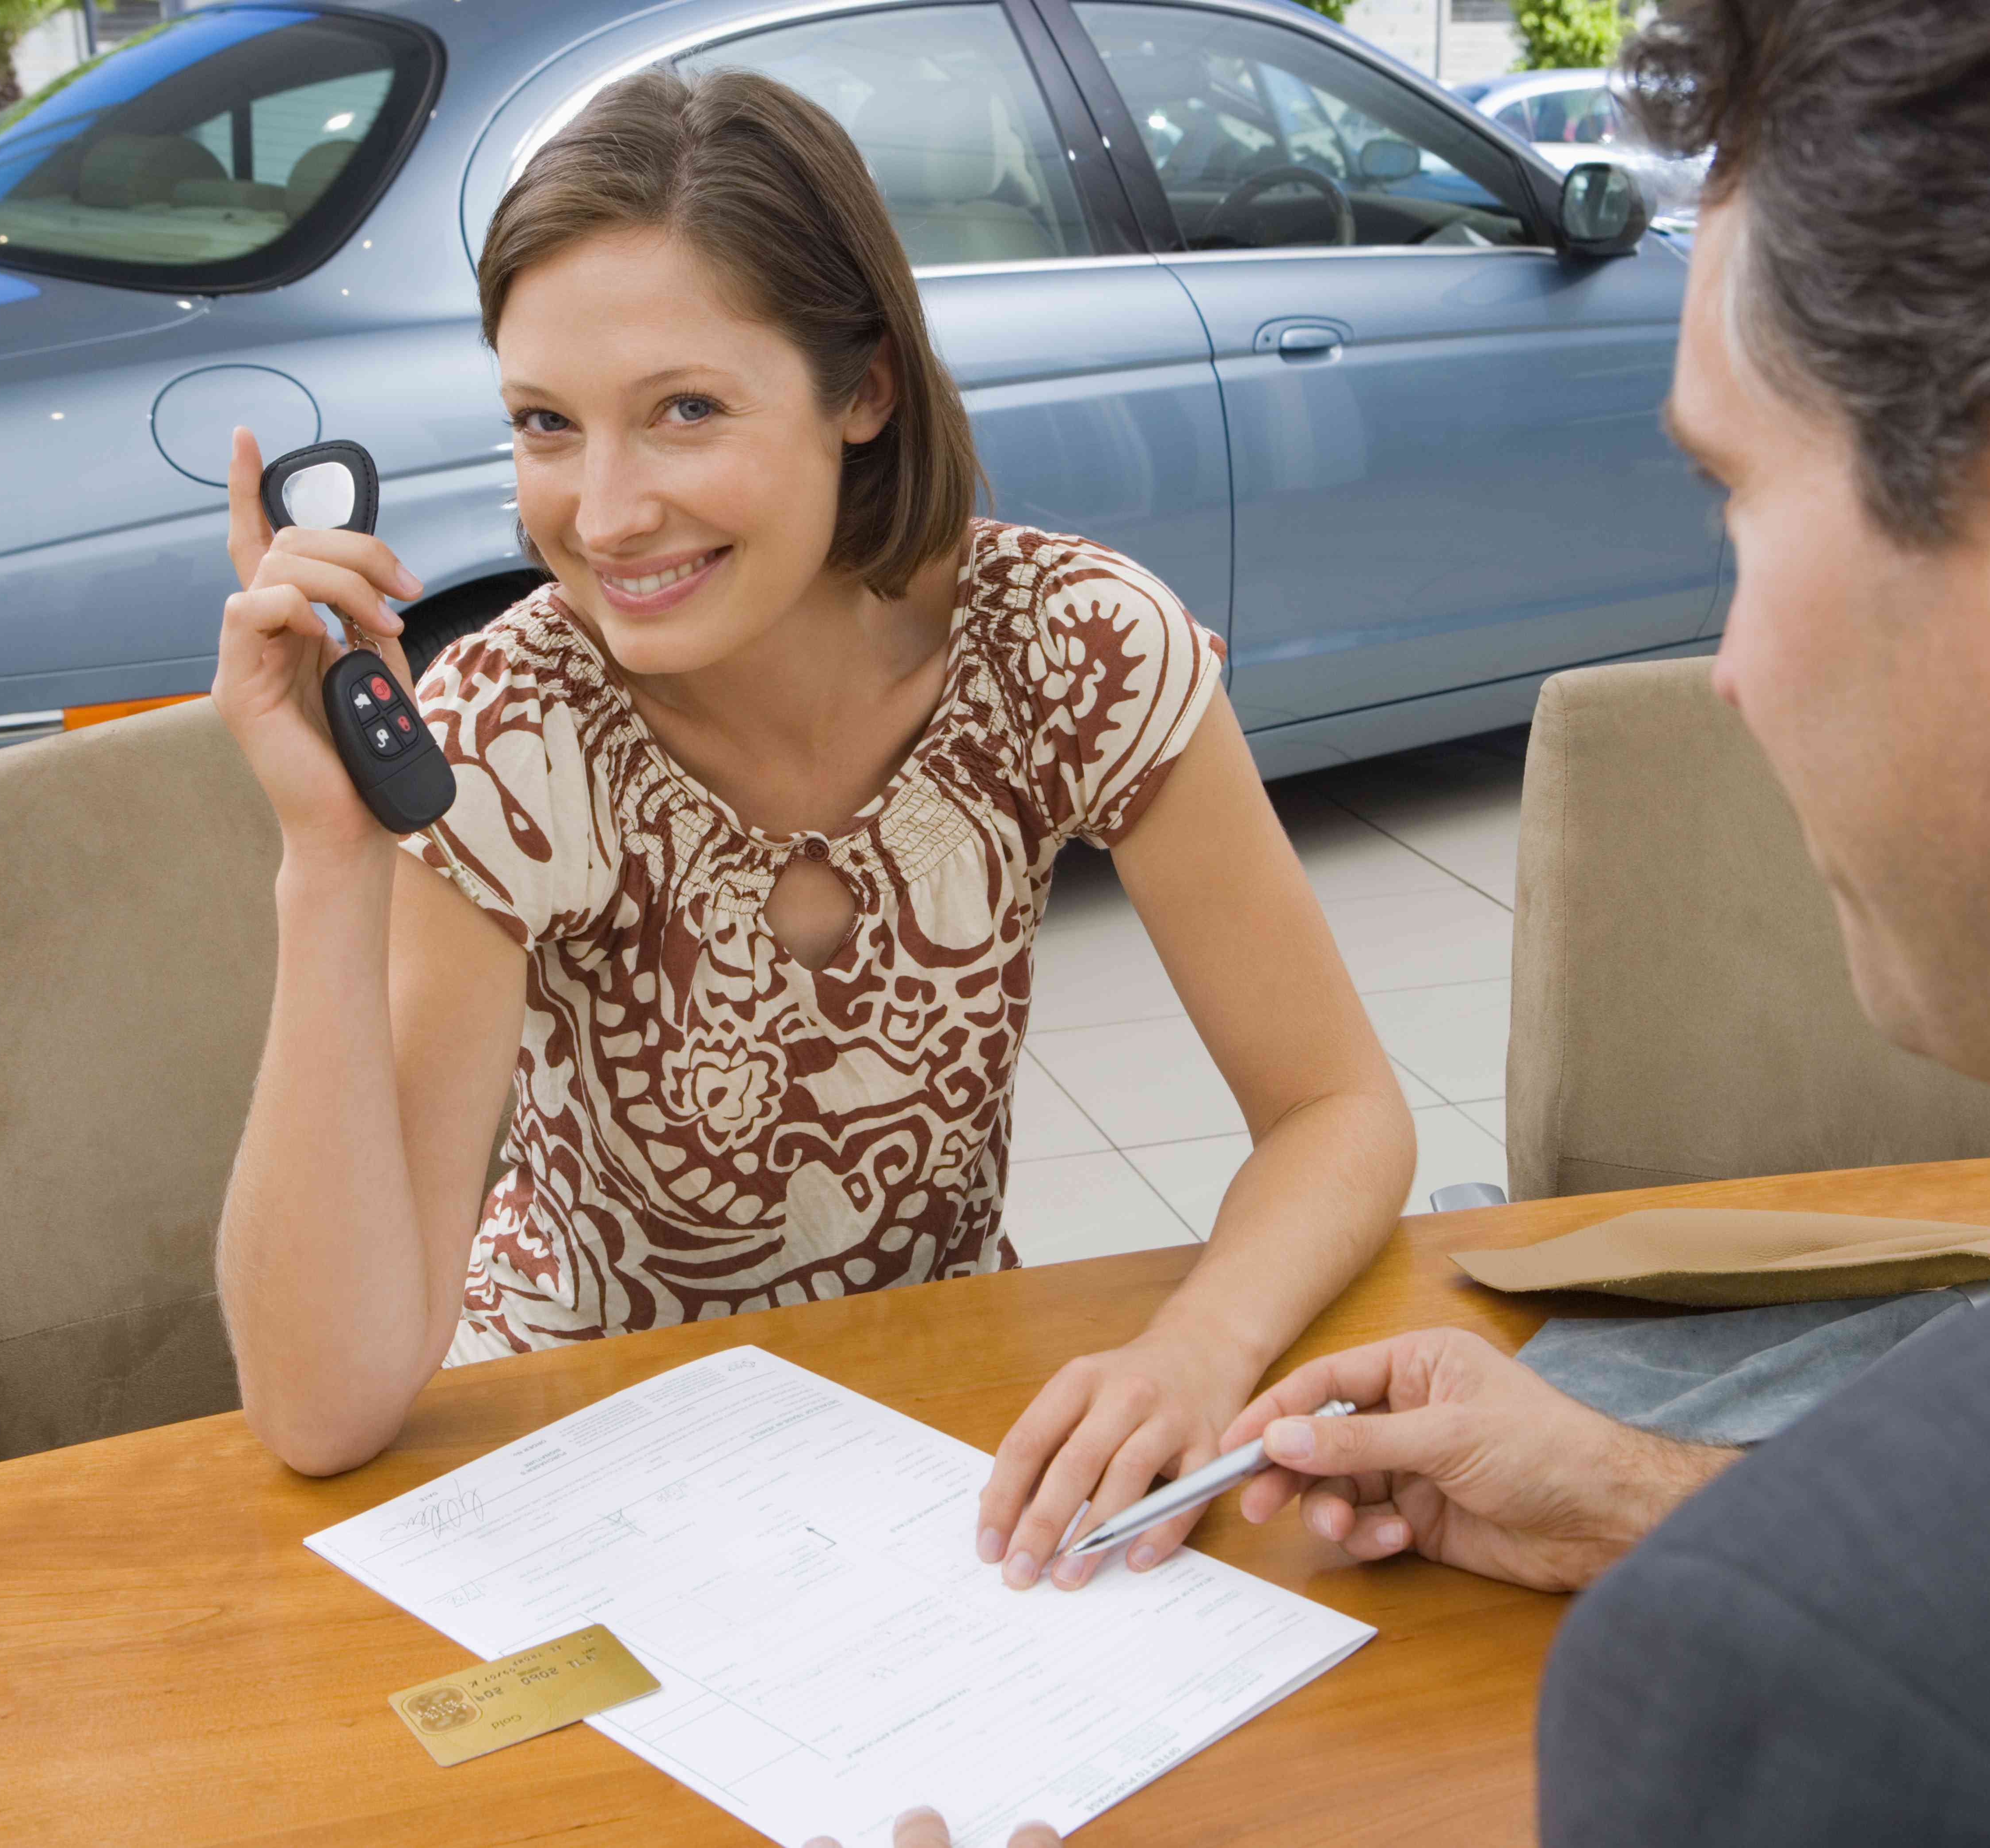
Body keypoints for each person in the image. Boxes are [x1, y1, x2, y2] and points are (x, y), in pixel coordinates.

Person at [1200, 1, 1990, 1841]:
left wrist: (1772, 1584)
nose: (1729, 673)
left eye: (1734, 498)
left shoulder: (1809, 1680)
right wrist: (1645, 1496)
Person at [206, 65, 1413, 1602]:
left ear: (865, 390)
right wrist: (328, 859)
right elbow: (324, 1411)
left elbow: (1340, 1113)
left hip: (934, 1434)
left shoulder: (1073, 647)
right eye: (545, 426)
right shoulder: (511, 723)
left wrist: (1197, 1348)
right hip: (581, 1461)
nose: (607, 511)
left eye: (685, 412)